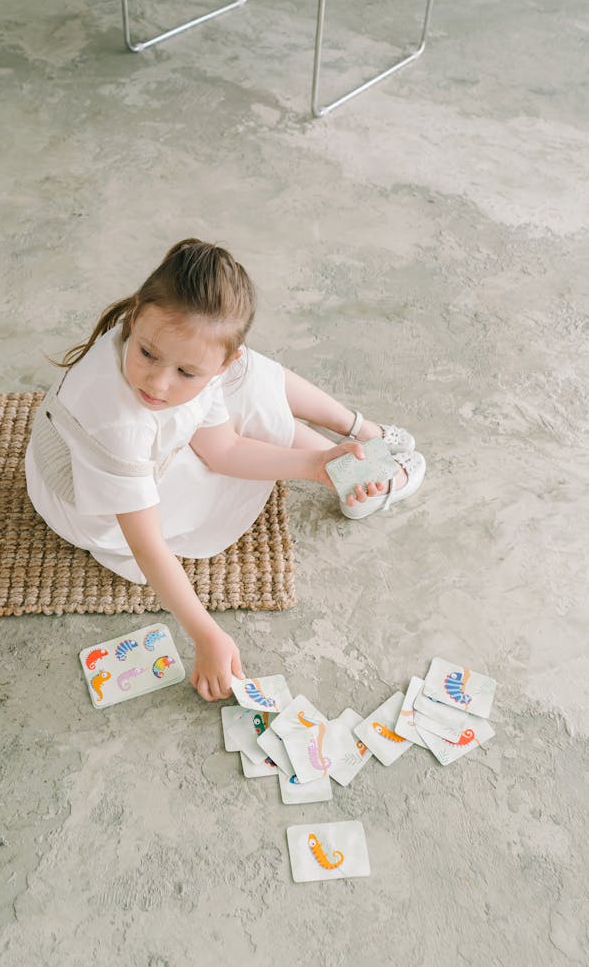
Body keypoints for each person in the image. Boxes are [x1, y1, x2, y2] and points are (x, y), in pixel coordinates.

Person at [25, 239, 425, 703]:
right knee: (251, 401)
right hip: (92, 509)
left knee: (248, 378)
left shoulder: (184, 351)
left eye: (186, 372)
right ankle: (359, 469)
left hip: (132, 450)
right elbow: (148, 545)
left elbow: (222, 446)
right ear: (135, 317)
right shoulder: (119, 426)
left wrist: (315, 467)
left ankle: (359, 439)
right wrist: (208, 635)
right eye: (148, 354)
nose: (157, 383)